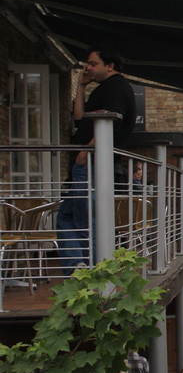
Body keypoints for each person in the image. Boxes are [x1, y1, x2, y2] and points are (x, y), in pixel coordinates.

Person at [56, 45, 136, 274]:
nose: (87, 67)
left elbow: (111, 126)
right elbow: (80, 119)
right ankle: (77, 265)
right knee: (66, 217)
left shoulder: (116, 88)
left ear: (109, 66)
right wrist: (80, 86)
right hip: (86, 162)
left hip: (91, 163)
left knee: (83, 219)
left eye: (93, 64)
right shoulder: (103, 88)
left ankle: (91, 270)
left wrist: (84, 154)